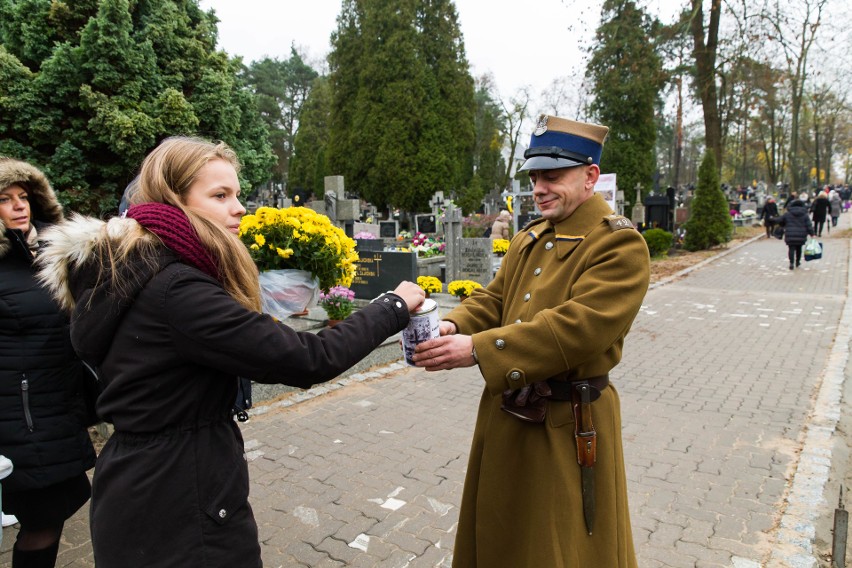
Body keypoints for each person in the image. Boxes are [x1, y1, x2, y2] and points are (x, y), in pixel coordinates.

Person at [36, 136, 425, 568]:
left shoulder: (137, 271)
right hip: (179, 499)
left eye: (236, 194)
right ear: (172, 201)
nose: (239, 207)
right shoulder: (176, 289)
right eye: (220, 195)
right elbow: (308, 358)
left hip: (146, 485)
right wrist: (392, 305)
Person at [412, 115, 649, 567]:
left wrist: (480, 351)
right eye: (535, 176)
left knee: (557, 545)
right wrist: (455, 326)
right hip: (510, 414)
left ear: (590, 177)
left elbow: (578, 327)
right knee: (504, 536)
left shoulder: (619, 246)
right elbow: (495, 299)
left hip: (567, 425)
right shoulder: (530, 237)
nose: (539, 187)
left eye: (552, 176)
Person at [0, 158, 97, 567]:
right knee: (41, 520)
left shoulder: (47, 258)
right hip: (18, 417)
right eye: (5, 199)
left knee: (53, 513)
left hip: (56, 407)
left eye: (24, 197)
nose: (19, 206)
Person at [778, 194, 814, 270]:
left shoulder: (787, 214)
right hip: (801, 234)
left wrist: (783, 225)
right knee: (799, 248)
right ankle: (797, 262)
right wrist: (812, 233)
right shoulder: (804, 214)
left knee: (791, 249)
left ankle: (791, 262)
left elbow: (781, 221)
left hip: (790, 234)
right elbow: (808, 225)